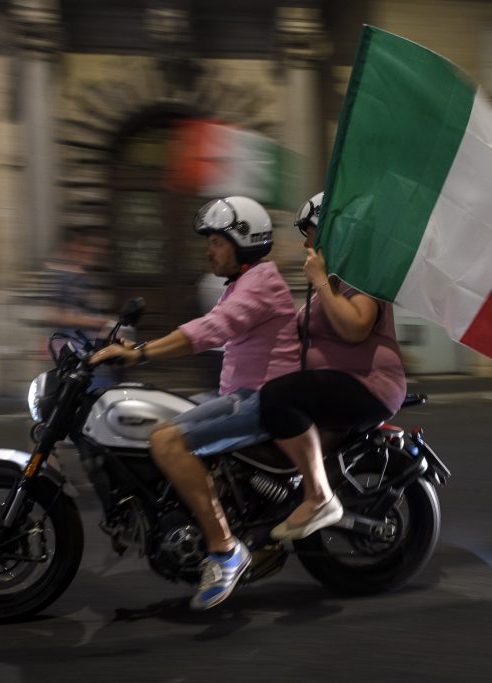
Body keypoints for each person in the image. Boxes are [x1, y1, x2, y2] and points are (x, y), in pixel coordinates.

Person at [90, 196, 299, 610]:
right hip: (236, 393)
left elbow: (212, 330)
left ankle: (225, 550)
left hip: (263, 397)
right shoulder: (241, 284)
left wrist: (141, 352)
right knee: (159, 411)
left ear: (243, 241)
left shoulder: (263, 281)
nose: (209, 249)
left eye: (217, 241)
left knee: (167, 441)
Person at [258, 192, 407, 540]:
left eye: (310, 232)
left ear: (334, 232)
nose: (306, 242)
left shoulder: (359, 275)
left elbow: (355, 327)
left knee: (278, 398)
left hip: (369, 384)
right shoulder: (333, 280)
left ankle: (319, 496)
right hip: (337, 382)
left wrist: (321, 281)